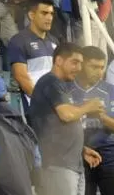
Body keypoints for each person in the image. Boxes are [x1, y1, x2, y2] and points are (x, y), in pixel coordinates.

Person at [28, 42, 105, 195]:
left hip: (71, 164)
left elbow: (59, 124)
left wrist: (80, 150)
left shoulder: (60, 85)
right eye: (74, 62)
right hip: (57, 164)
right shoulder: (51, 81)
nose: (78, 68)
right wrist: (88, 107)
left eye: (81, 63)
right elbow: (67, 115)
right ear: (59, 61)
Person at [72, 46, 114, 195]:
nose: (99, 72)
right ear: (81, 64)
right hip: (78, 153)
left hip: (108, 153)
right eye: (94, 67)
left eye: (102, 67)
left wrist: (100, 116)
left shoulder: (110, 89)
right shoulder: (67, 89)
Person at [6, 0, 58, 113]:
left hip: (56, 104)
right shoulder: (19, 40)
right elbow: (22, 77)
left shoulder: (54, 41)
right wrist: (43, 103)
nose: (49, 18)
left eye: (51, 13)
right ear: (31, 15)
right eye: (44, 13)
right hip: (36, 107)